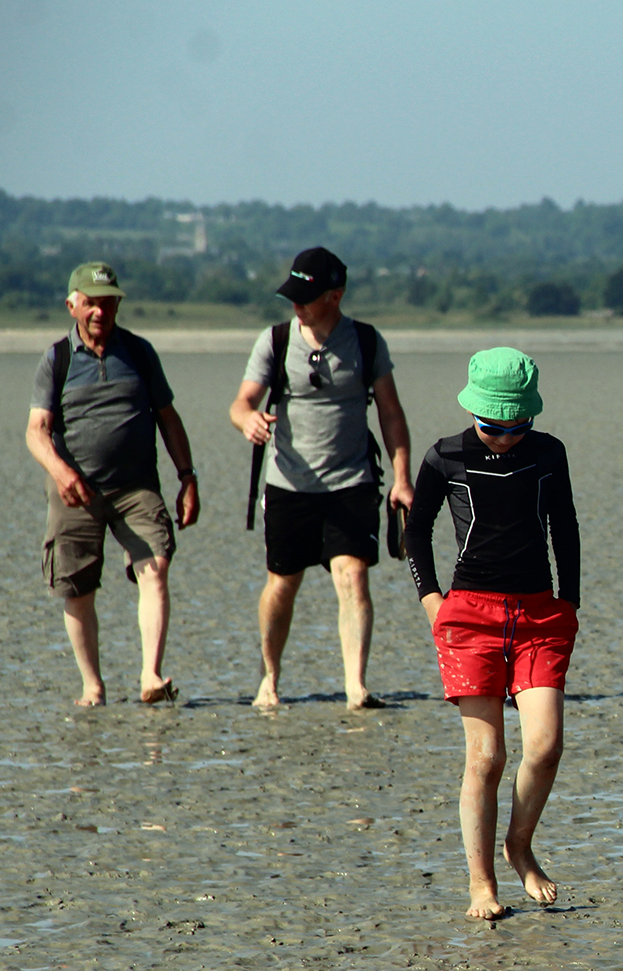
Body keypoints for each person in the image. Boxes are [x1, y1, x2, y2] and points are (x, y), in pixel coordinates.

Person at [404, 349, 580, 922]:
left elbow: (565, 528)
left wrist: (569, 601)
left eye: (516, 425)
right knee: (486, 757)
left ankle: (519, 844)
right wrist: (432, 599)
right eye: (492, 425)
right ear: (472, 411)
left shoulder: (549, 454)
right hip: (468, 616)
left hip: (538, 616)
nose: (504, 436)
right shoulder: (445, 455)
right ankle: (481, 883)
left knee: (545, 746)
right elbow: (415, 532)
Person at [230, 247, 414, 710]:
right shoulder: (274, 341)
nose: (297, 304)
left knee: (352, 576)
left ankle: (356, 685)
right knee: (282, 582)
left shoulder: (366, 342)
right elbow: (241, 402)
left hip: (352, 481)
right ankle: (269, 679)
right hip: (289, 483)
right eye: (292, 294)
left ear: (336, 295)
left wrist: (402, 477)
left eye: (307, 297)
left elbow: (391, 413)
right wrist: (247, 418)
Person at [24, 262, 201, 706]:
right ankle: (93, 685)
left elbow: (168, 418)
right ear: (72, 305)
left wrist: (187, 478)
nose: (100, 312)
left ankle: (151, 676)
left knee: (156, 567)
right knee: (77, 587)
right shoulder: (57, 359)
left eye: (108, 303)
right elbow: (36, 431)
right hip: (75, 492)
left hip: (136, 487)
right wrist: (63, 473)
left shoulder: (139, 353)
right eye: (91, 303)